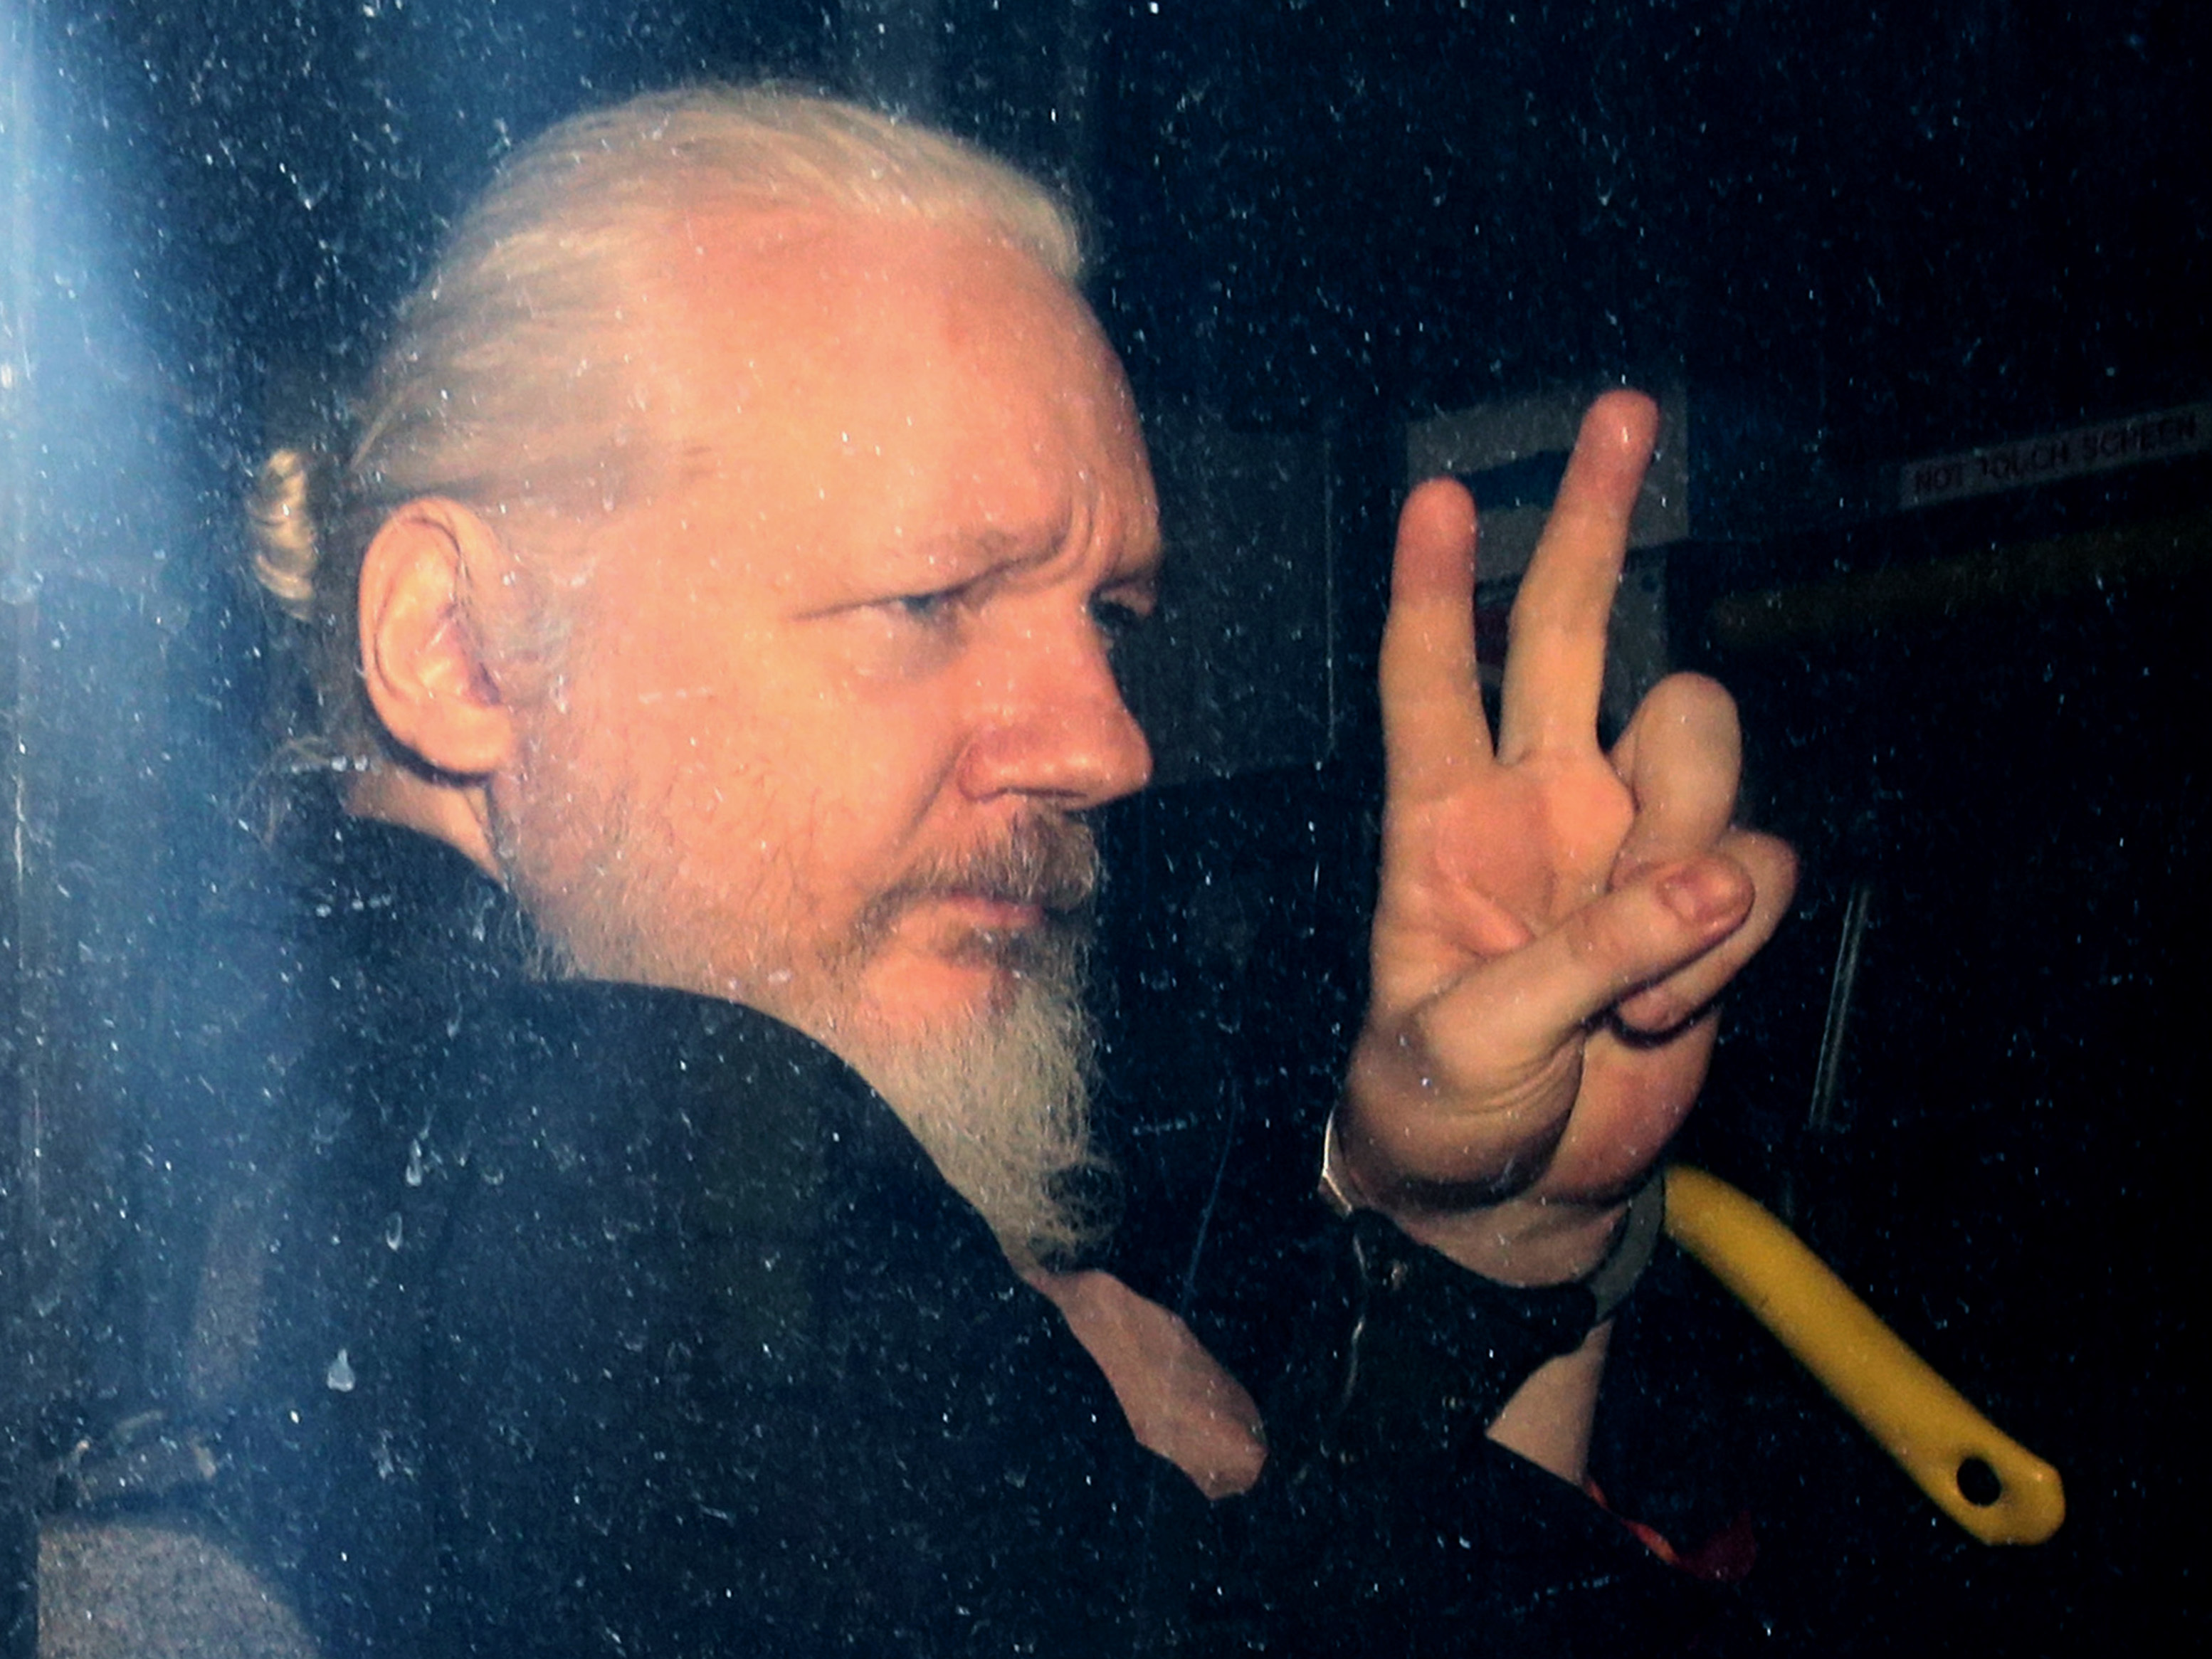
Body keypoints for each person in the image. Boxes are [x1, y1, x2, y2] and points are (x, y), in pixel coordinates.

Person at [223, 84, 1794, 1656]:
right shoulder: (647, 1168)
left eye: (1106, 619)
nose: (1110, 747)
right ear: (458, 645)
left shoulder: (289, 1160)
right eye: (933, 596)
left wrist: (1490, 1235)